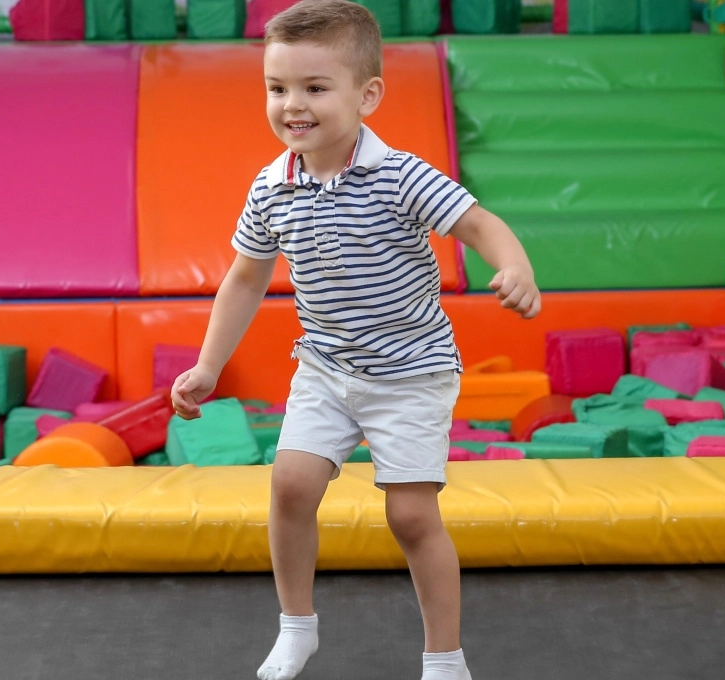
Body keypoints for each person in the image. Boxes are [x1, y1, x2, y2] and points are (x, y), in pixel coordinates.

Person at [169, 1, 539, 677]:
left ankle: (445, 658)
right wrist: (208, 366)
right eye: (277, 88)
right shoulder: (271, 187)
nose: (292, 105)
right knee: (290, 485)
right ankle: (297, 626)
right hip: (326, 367)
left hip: (411, 371)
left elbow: (479, 224)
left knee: (411, 517)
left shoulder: (401, 176)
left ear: (367, 96)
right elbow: (245, 279)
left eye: (315, 87)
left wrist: (514, 267)